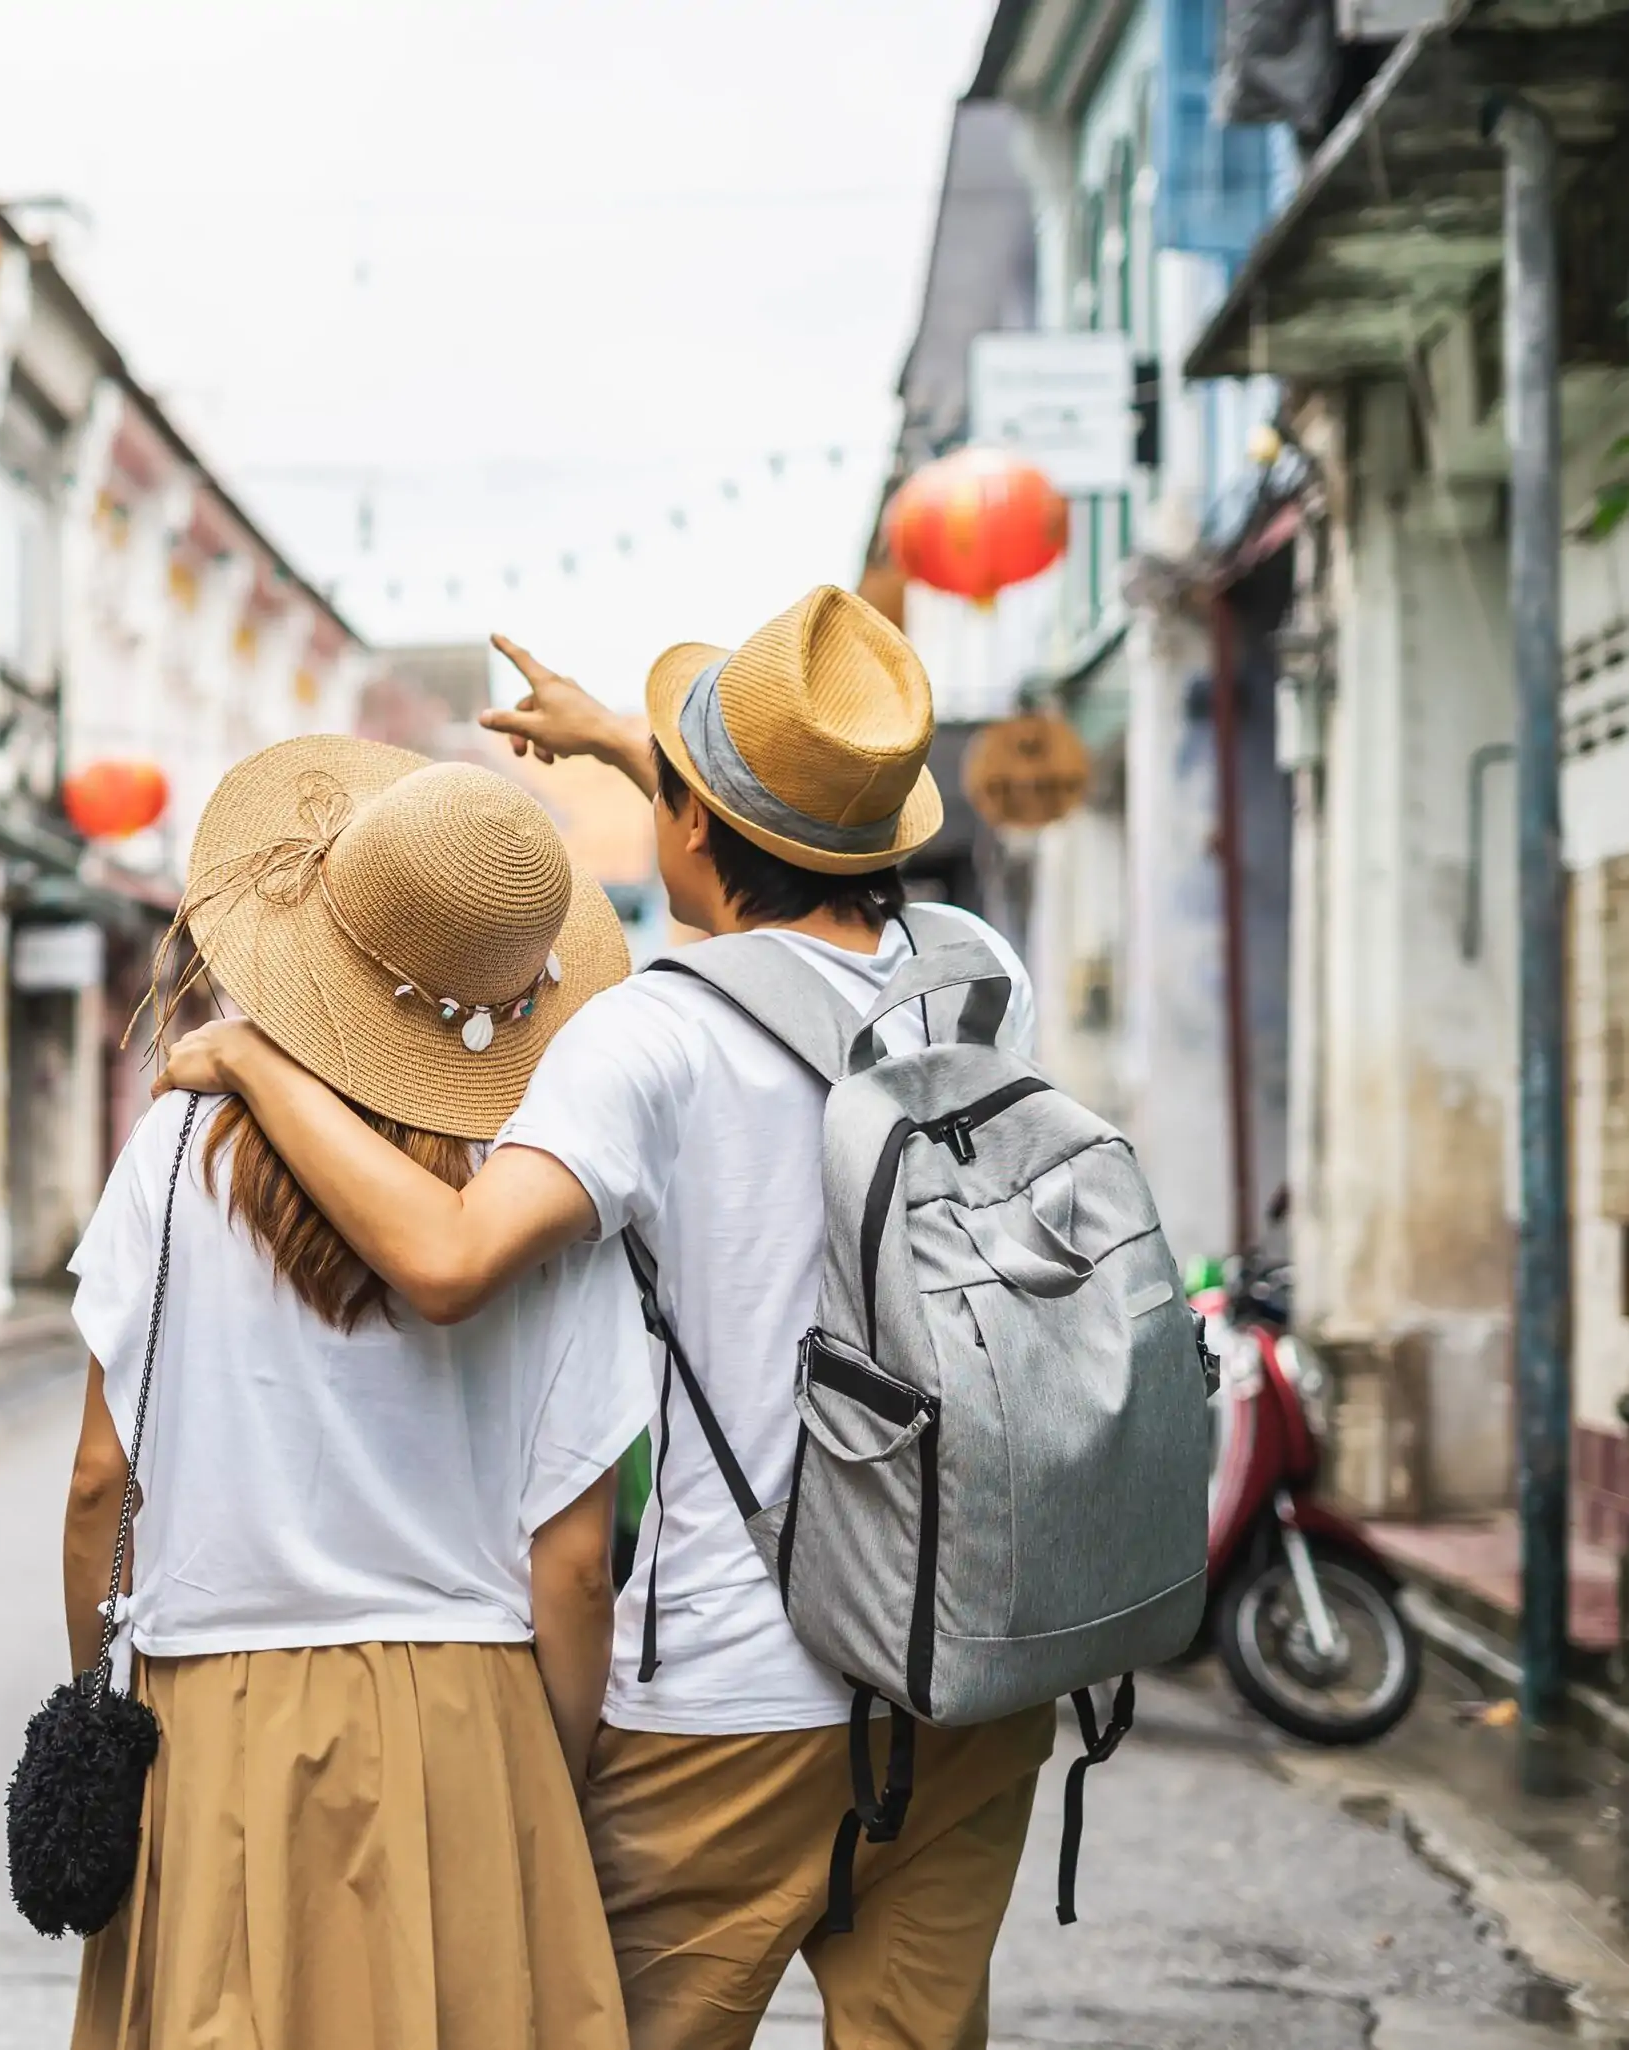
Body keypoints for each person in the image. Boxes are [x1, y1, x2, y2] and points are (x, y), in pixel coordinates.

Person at [162, 587, 1053, 2050]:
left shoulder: (647, 1032)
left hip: (735, 1689)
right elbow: (800, 889)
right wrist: (654, 759)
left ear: (691, 825)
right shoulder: (974, 982)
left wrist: (263, 1067)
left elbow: (450, 1256)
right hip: (964, 1664)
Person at [67, 736, 647, 2050]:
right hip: (469, 1717)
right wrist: (547, 1774)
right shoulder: (541, 1194)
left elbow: (103, 1478)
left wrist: (99, 1688)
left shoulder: (172, 1153)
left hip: (212, 1705)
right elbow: (575, 1564)